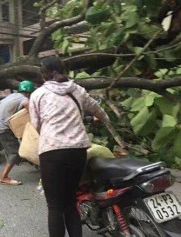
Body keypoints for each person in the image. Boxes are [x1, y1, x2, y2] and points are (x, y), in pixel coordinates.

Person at [29, 56, 127, 237]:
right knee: (70, 202)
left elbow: (36, 125)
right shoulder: (78, 90)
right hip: (77, 151)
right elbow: (98, 110)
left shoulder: (38, 95)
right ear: (64, 70)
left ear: (42, 75)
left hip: (52, 152)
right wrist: (103, 119)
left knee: (55, 205)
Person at [0, 80, 35, 185]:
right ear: (29, 92)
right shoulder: (24, 100)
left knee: (12, 144)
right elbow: (32, 111)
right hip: (2, 127)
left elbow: (0, 103)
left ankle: (15, 159)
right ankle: (4, 177)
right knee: (14, 152)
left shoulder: (12, 95)